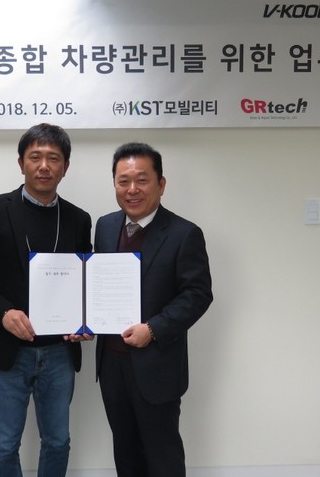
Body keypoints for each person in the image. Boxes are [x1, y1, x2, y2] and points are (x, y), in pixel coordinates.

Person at [0, 123, 92, 477]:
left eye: (53, 158)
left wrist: (87, 320)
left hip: (60, 351)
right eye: (35, 157)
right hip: (5, 349)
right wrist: (3, 312)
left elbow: (86, 280)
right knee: (4, 445)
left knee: (58, 441)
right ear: (21, 163)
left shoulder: (78, 219)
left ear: (65, 167)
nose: (44, 166)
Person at [94, 142, 213, 477]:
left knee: (162, 457)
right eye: (123, 181)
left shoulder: (184, 233)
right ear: (115, 184)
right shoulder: (105, 226)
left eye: (142, 180)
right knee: (125, 452)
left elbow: (198, 294)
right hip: (112, 365)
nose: (132, 189)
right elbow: (97, 283)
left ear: (161, 184)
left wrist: (153, 329)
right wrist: (84, 321)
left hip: (157, 365)